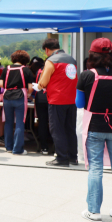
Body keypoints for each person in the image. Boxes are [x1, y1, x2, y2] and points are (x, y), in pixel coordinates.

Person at [76, 38, 112, 222]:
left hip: (94, 126)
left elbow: (79, 103)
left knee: (96, 169)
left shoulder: (86, 75)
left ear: (92, 54)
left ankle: (94, 211)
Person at [36, 38, 78, 166]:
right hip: (72, 99)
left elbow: (43, 82)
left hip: (57, 99)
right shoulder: (72, 60)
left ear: (47, 50)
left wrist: (38, 85)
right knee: (70, 129)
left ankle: (61, 158)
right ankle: (72, 157)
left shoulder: (51, 61)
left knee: (57, 129)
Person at [0, 50, 34, 154]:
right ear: (25, 59)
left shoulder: (7, 69)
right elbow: (30, 87)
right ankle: (17, 149)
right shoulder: (26, 70)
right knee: (20, 122)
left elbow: (1, 84)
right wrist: (28, 94)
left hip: (7, 97)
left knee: (8, 122)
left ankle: (8, 147)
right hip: (20, 96)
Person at [30, 57, 51, 154]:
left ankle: (44, 147)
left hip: (40, 97)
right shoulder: (55, 69)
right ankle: (55, 147)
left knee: (42, 122)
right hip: (52, 97)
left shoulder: (40, 70)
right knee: (54, 122)